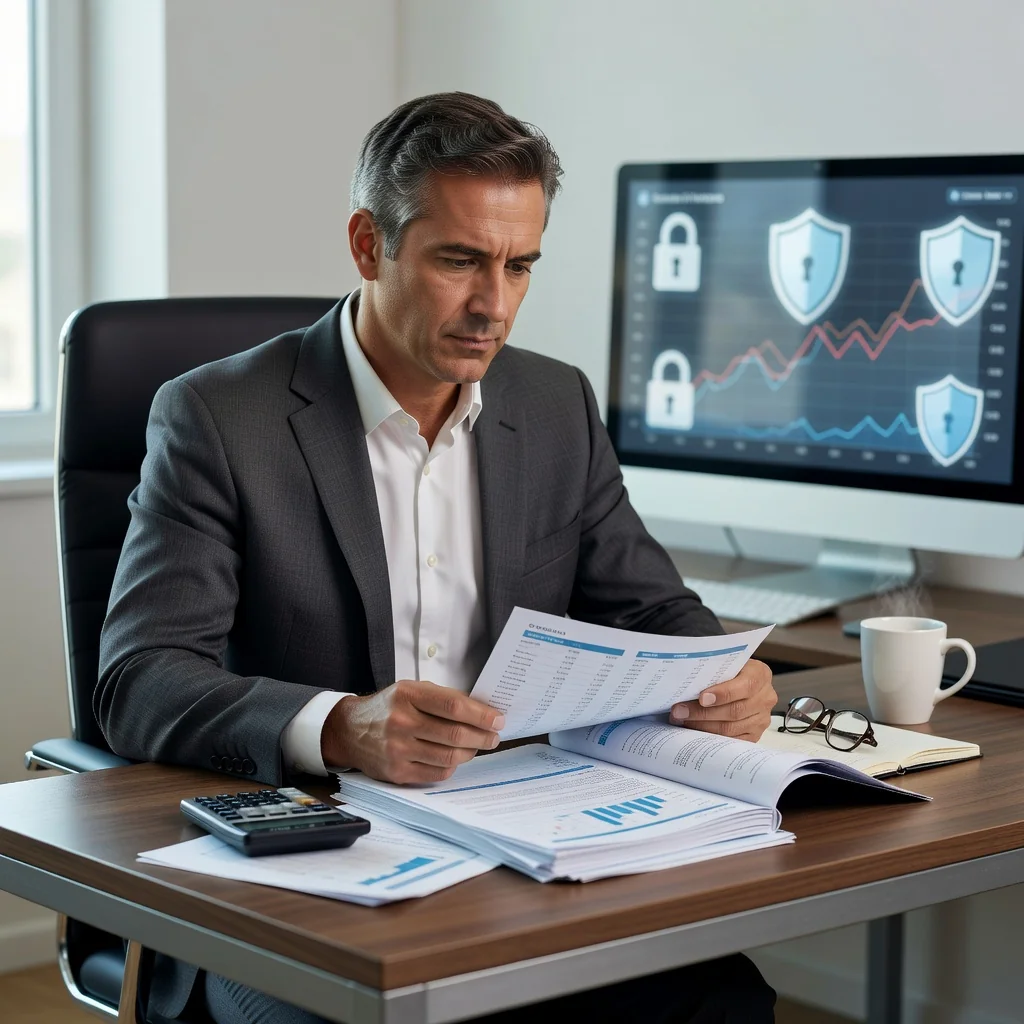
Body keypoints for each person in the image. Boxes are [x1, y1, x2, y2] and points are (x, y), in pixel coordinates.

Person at [97, 92, 778, 1024]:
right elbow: (139, 680)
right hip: (311, 866)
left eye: (519, 265)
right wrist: (342, 726)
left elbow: (652, 609)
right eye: (460, 260)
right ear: (369, 246)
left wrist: (726, 673)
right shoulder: (219, 417)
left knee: (720, 1000)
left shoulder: (553, 405)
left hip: (524, 845)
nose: (493, 304)